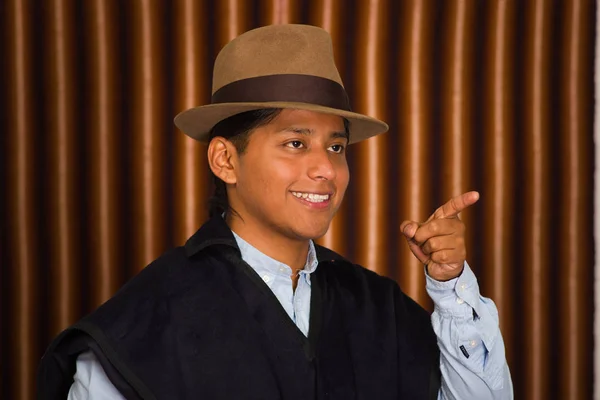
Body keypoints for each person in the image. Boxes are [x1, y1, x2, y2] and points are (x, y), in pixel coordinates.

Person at [37, 24, 513, 399]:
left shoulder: (376, 307)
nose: (325, 168)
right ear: (226, 159)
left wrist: (451, 288)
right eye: (295, 142)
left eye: (337, 146)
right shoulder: (145, 323)